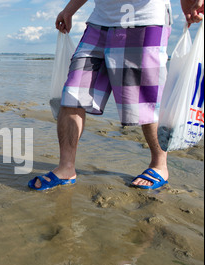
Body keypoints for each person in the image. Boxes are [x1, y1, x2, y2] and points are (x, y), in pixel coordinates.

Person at [29, 0, 204, 191]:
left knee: (145, 100)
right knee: (73, 93)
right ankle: (66, 168)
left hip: (144, 21)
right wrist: (69, 10)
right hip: (99, 22)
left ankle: (159, 165)